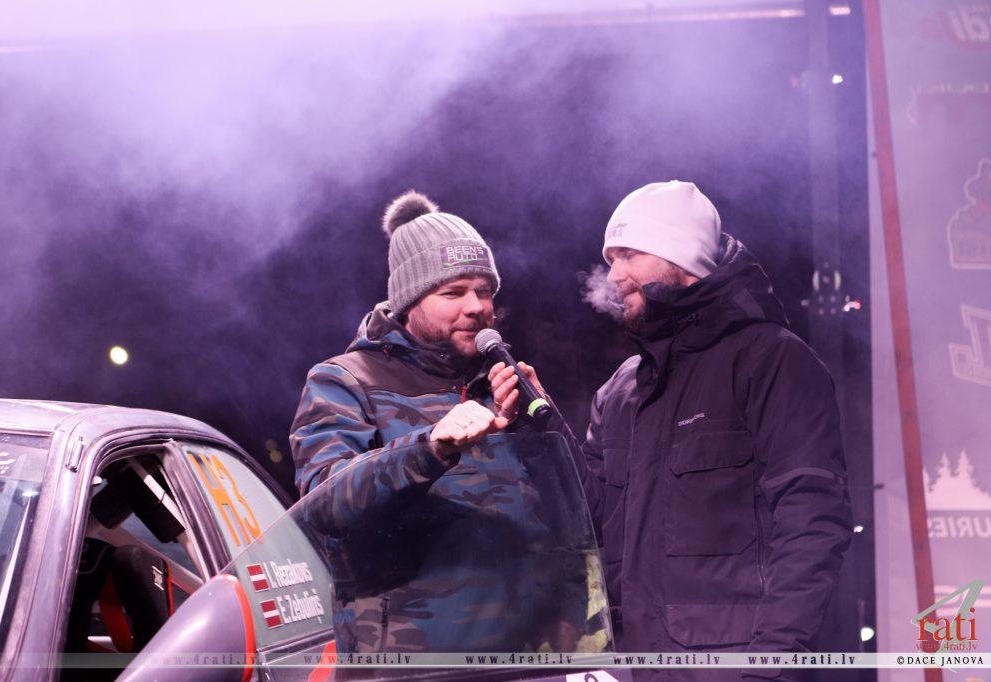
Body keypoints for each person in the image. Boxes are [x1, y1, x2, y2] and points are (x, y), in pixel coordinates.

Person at [492, 180, 853, 680]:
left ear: (680, 258)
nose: (613, 275)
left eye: (629, 255)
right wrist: (540, 427)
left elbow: (812, 526)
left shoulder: (772, 361)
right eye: (610, 259)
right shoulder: (620, 390)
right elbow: (590, 523)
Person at [289, 191, 602, 656]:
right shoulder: (345, 380)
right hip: (412, 664)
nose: (476, 307)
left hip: (524, 658)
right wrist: (429, 448)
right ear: (408, 302)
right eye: (453, 293)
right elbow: (321, 507)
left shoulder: (499, 382)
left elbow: (568, 512)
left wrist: (568, 610)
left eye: (484, 291)